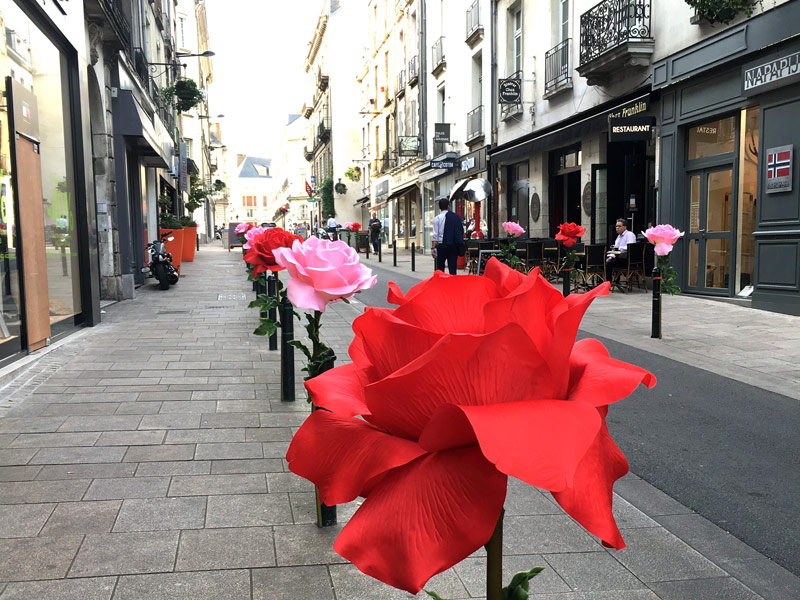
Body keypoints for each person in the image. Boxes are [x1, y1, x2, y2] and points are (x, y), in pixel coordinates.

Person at [433, 197, 464, 275]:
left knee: (440, 268)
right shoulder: (455, 217)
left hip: (441, 245)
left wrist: (433, 248)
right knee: (452, 268)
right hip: (453, 245)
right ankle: (453, 284)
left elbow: (435, 235)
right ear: (448, 206)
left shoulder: (437, 219)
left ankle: (441, 284)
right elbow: (460, 230)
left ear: (439, 207)